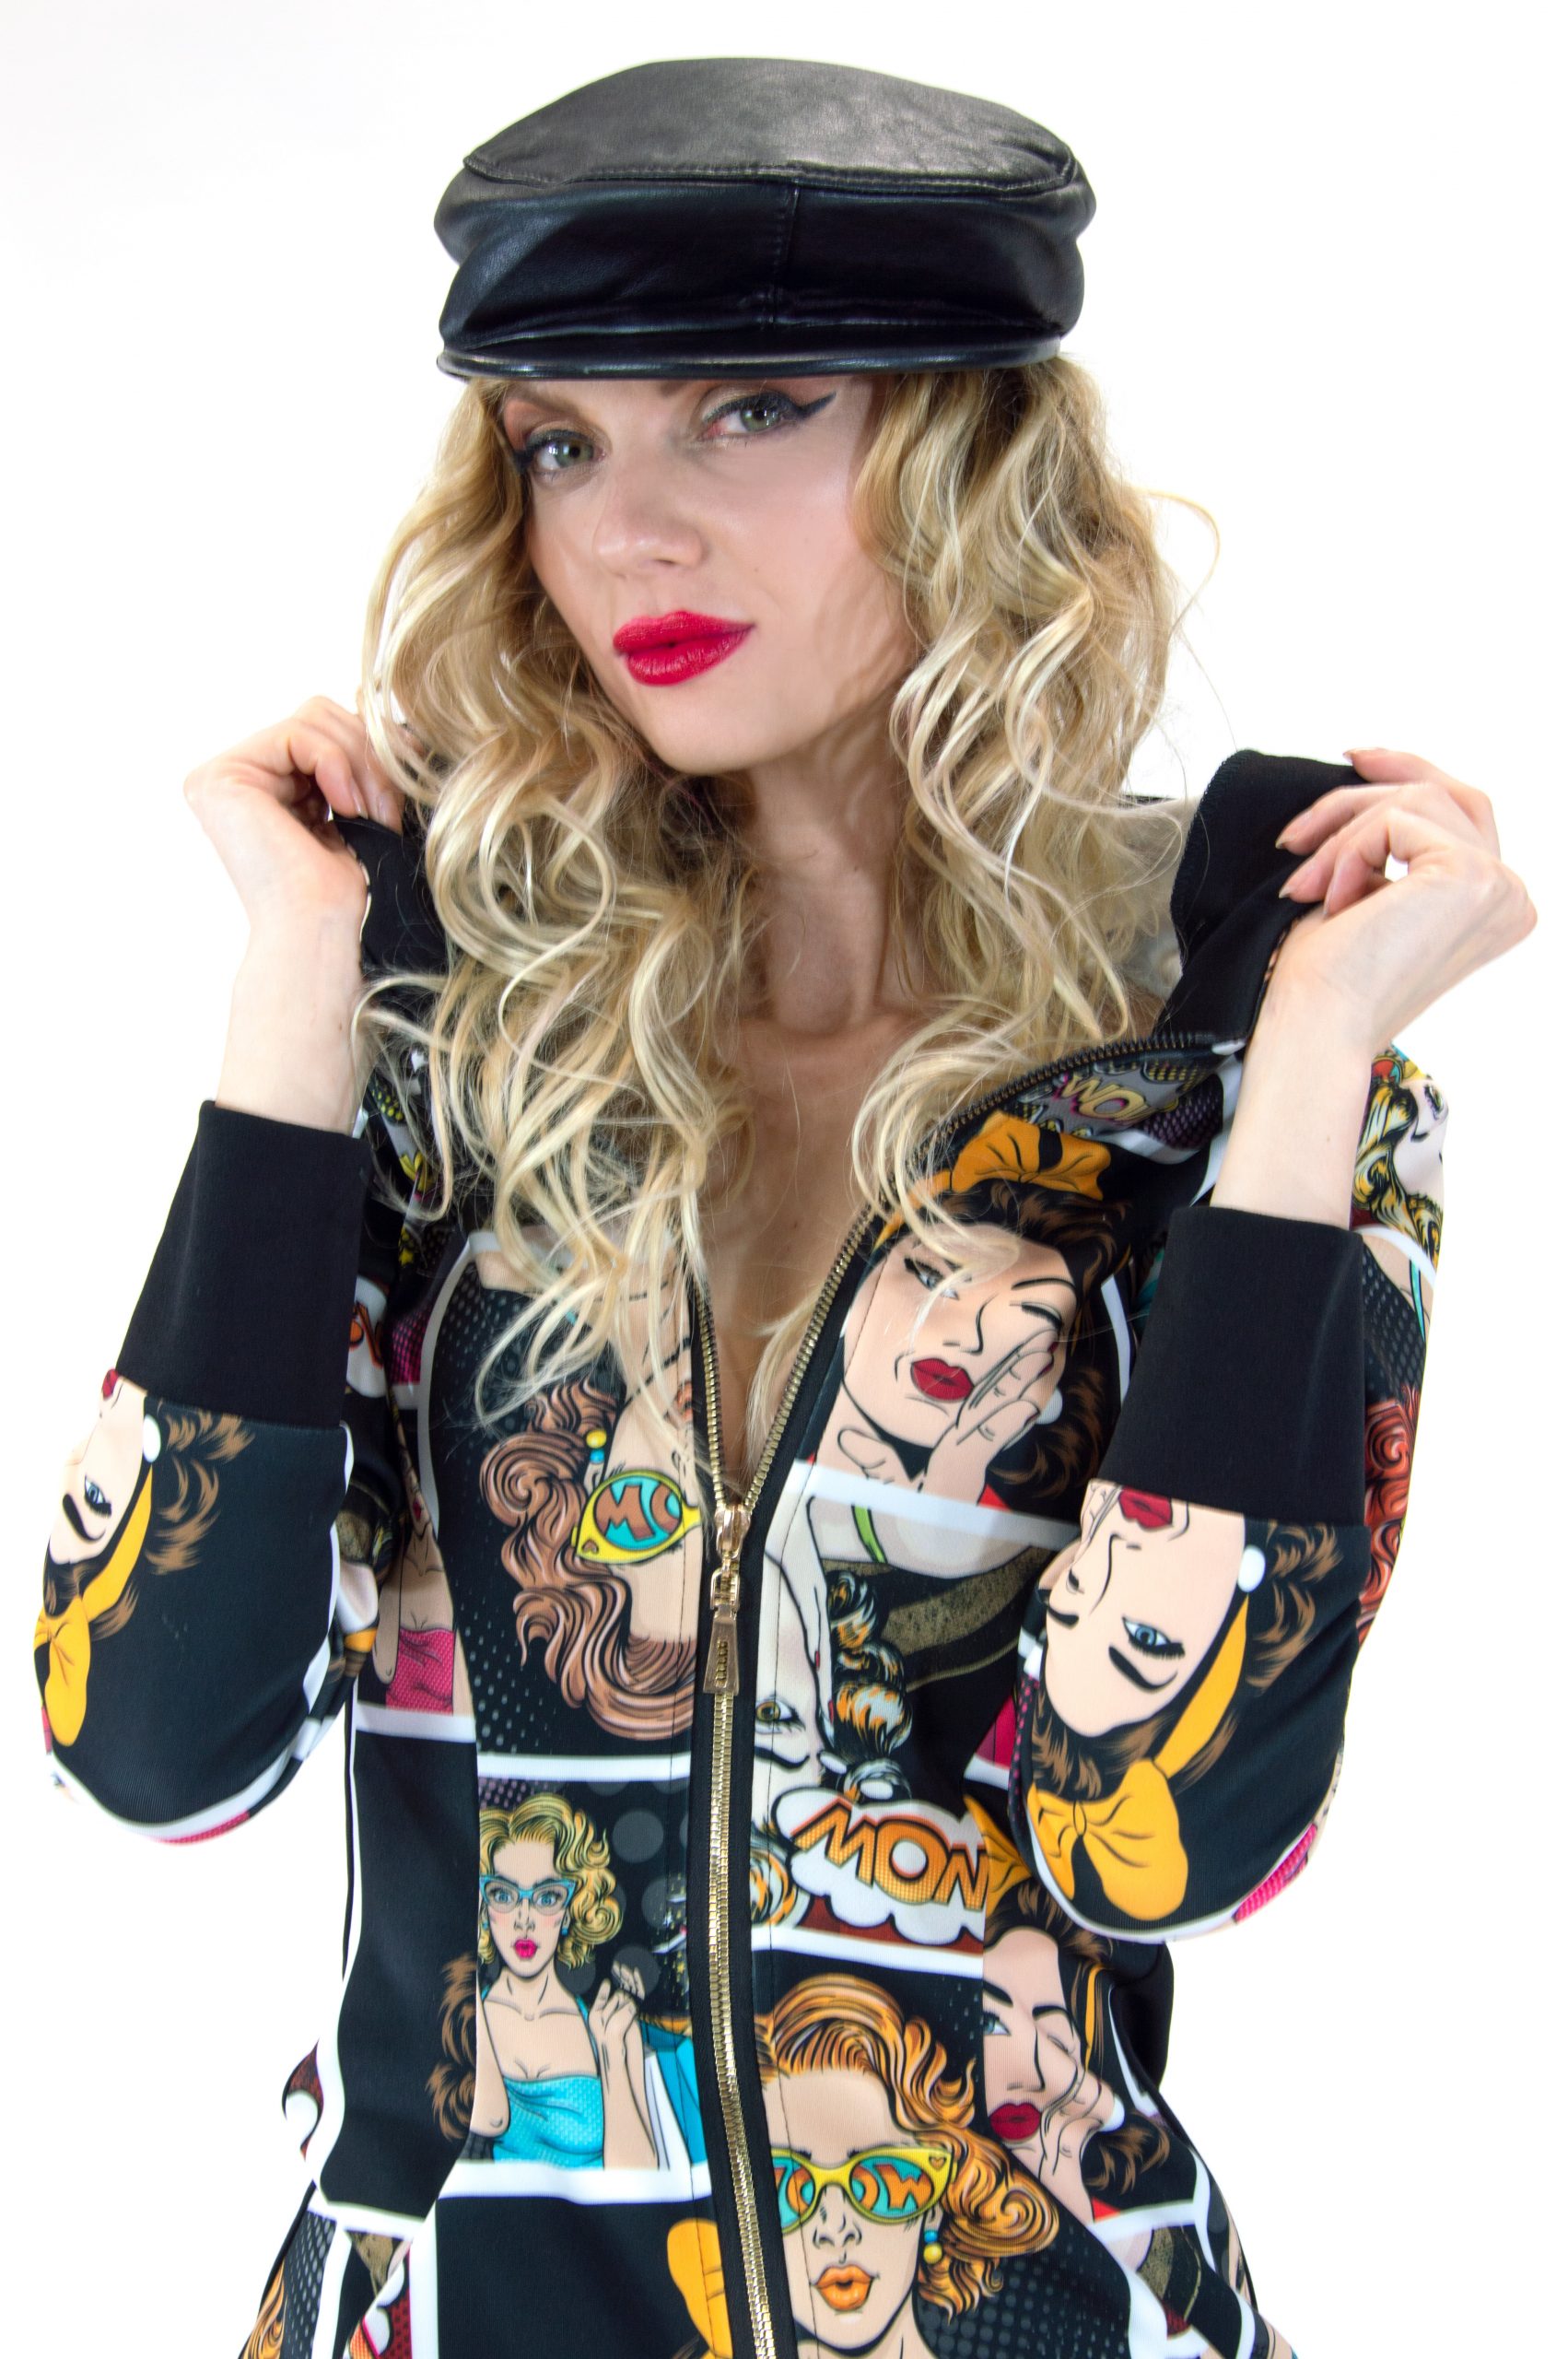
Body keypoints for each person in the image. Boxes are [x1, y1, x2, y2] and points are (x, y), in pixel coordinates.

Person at [31, 54, 1534, 2359]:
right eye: (560, 443)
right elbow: (154, 1737)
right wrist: (297, 992)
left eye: (749, 409)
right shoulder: (454, 1045)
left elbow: (1165, 1826)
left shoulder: (1223, 1075)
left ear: (967, 456)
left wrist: (1308, 1051)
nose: (629, 531)